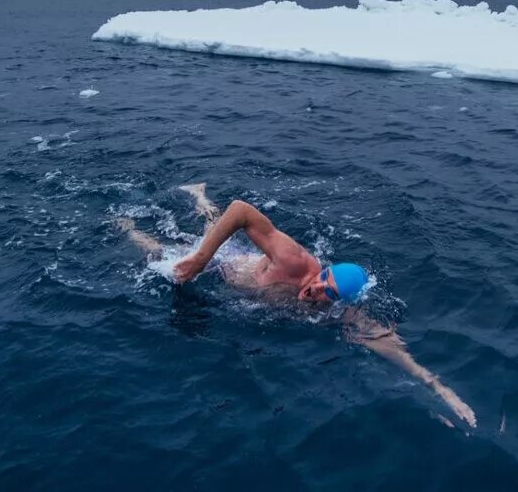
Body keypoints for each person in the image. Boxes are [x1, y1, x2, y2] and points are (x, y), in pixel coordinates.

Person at [115, 183, 477, 429]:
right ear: (323, 270)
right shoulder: (295, 262)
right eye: (324, 280)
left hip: (236, 276)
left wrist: (442, 391)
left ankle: (199, 201)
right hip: (227, 264)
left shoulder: (336, 313)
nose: (317, 290)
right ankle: (129, 224)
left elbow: (391, 347)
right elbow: (241, 211)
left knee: (205, 239)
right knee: (167, 257)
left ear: (339, 303)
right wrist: (200, 260)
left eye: (329, 294)